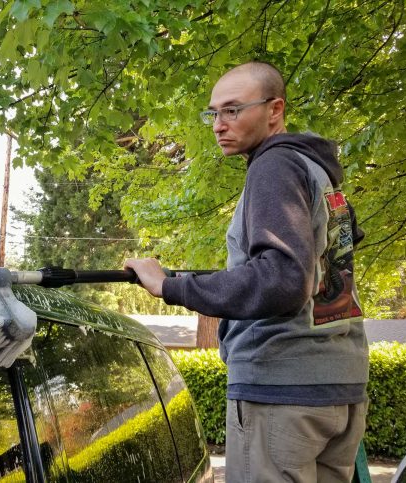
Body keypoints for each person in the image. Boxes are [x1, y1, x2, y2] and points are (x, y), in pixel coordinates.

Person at [125, 61, 368, 483]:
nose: (219, 124)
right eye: (213, 113)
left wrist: (169, 286)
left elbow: (281, 279)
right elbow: (334, 258)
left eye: (233, 110)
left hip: (281, 389)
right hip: (340, 387)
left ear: (275, 110)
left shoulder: (273, 166)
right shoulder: (321, 175)